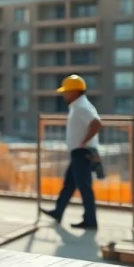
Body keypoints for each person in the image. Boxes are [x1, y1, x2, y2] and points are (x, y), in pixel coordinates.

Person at [41, 74, 101, 230]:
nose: (64, 94)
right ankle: (58, 211)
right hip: (78, 153)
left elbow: (96, 123)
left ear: (75, 91)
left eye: (66, 91)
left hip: (82, 152)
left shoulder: (81, 107)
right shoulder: (78, 105)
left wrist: (84, 142)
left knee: (84, 187)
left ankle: (90, 220)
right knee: (69, 185)